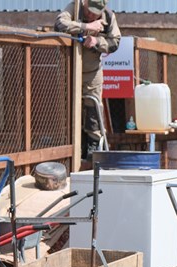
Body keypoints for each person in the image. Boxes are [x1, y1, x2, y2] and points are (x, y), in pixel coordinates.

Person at [55, 0, 121, 169]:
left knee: (92, 109)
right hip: (70, 70)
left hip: (92, 72)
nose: (92, 15)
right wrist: (86, 26)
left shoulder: (109, 16)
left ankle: (92, 148)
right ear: (84, 3)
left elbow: (115, 43)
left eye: (95, 13)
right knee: (70, 109)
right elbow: (59, 25)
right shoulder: (74, 8)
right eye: (89, 11)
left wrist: (97, 42)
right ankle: (71, 147)